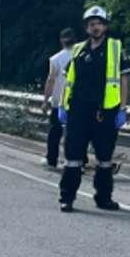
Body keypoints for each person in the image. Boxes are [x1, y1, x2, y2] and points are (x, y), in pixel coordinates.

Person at [58, 6, 130, 212]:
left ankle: (103, 198)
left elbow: (124, 81)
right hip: (78, 110)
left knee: (104, 158)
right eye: (92, 24)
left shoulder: (116, 49)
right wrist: (63, 105)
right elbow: (68, 80)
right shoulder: (79, 49)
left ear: (105, 26)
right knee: (73, 157)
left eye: (99, 23)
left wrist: (122, 109)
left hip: (105, 112)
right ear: (86, 28)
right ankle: (67, 197)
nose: (95, 27)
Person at [42, 28, 76, 168]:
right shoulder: (81, 56)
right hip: (77, 101)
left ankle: (52, 160)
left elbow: (51, 80)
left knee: (55, 133)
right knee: (76, 133)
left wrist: (45, 100)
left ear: (61, 40)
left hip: (59, 102)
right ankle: (77, 161)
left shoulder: (56, 59)